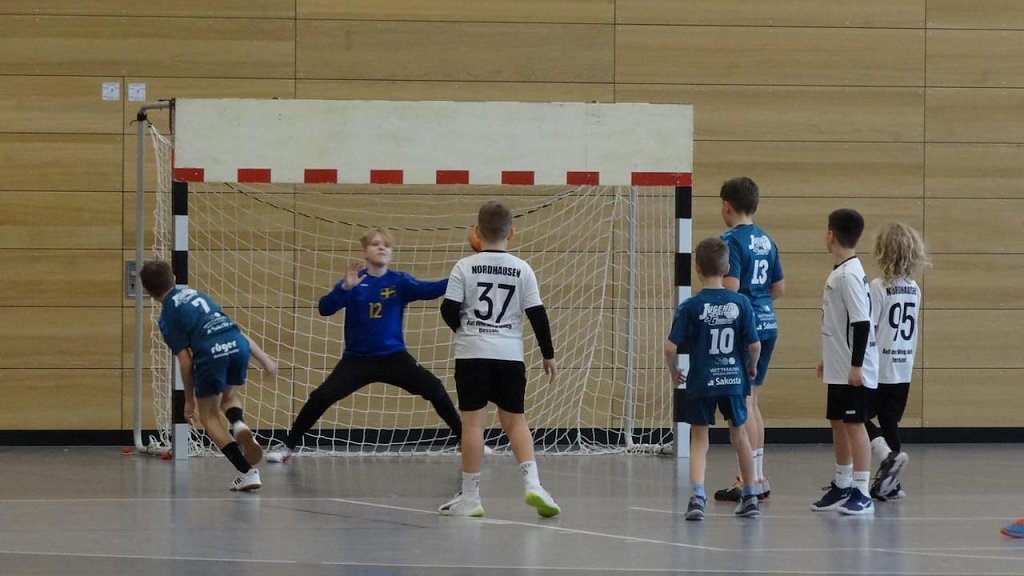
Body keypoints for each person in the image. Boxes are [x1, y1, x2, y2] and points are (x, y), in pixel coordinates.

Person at [265, 228, 462, 462]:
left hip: (393, 357)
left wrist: (460, 278)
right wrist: (344, 288)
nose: (381, 248)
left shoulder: (400, 281)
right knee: (320, 397)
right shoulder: (354, 282)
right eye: (375, 244)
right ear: (365, 251)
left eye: (386, 245)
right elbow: (325, 308)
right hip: (357, 360)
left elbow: (430, 290)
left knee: (435, 388)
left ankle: (466, 440)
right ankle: (288, 447)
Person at [437, 200, 560, 518]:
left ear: (477, 232)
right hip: (509, 355)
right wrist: (548, 354)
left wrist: (467, 329)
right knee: (515, 421)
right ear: (512, 232)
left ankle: (471, 497)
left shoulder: (464, 267)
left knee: (472, 424)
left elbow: (448, 310)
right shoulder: (522, 269)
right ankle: (533, 484)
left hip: (472, 354)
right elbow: (537, 314)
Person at [139, 260, 277, 491]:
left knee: (209, 417)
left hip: (211, 352)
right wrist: (265, 359)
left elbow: (185, 361)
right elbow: (234, 329)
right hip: (237, 345)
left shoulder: (167, 317)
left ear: (148, 291)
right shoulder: (196, 294)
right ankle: (238, 423)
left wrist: (189, 400)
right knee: (229, 398)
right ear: (174, 278)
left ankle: (247, 472)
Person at [665, 237, 762, 521]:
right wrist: (752, 367)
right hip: (733, 378)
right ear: (727, 267)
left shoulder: (690, 306)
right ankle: (750, 495)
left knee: (699, 439)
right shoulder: (741, 303)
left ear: (697, 267)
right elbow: (754, 345)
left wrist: (673, 370)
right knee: (740, 436)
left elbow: (670, 347)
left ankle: (698, 496)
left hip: (702, 379)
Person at [713, 177, 784, 504]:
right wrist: (759, 301)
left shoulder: (730, 240)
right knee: (753, 401)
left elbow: (730, 287)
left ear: (726, 205)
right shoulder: (767, 240)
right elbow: (778, 288)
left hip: (745, 328)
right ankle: (758, 475)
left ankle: (748, 479)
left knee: (742, 405)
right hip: (768, 322)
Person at [811, 208, 878, 515]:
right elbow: (839, 324)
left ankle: (862, 490)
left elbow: (861, 324)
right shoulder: (841, 271)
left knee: (854, 425)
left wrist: (856, 366)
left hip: (854, 369)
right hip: (840, 365)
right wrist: (830, 359)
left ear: (830, 235)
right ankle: (842, 483)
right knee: (838, 422)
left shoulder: (849, 275)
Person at [866, 222, 929, 501]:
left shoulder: (878, 287)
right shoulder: (914, 289)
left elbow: (869, 328)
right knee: (889, 420)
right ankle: (893, 483)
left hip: (879, 366)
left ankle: (886, 457)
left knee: (855, 415)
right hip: (903, 367)